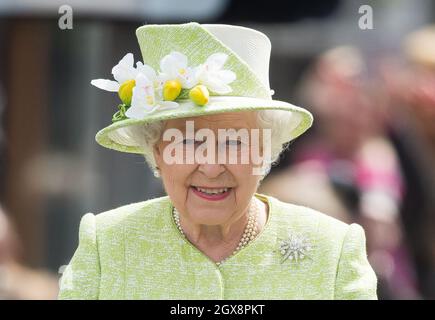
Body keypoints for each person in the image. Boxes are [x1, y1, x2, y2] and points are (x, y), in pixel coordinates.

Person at [58, 22, 377, 299]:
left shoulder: (333, 250)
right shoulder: (106, 243)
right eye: (189, 143)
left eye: (235, 143)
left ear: (264, 152)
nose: (211, 166)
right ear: (158, 152)